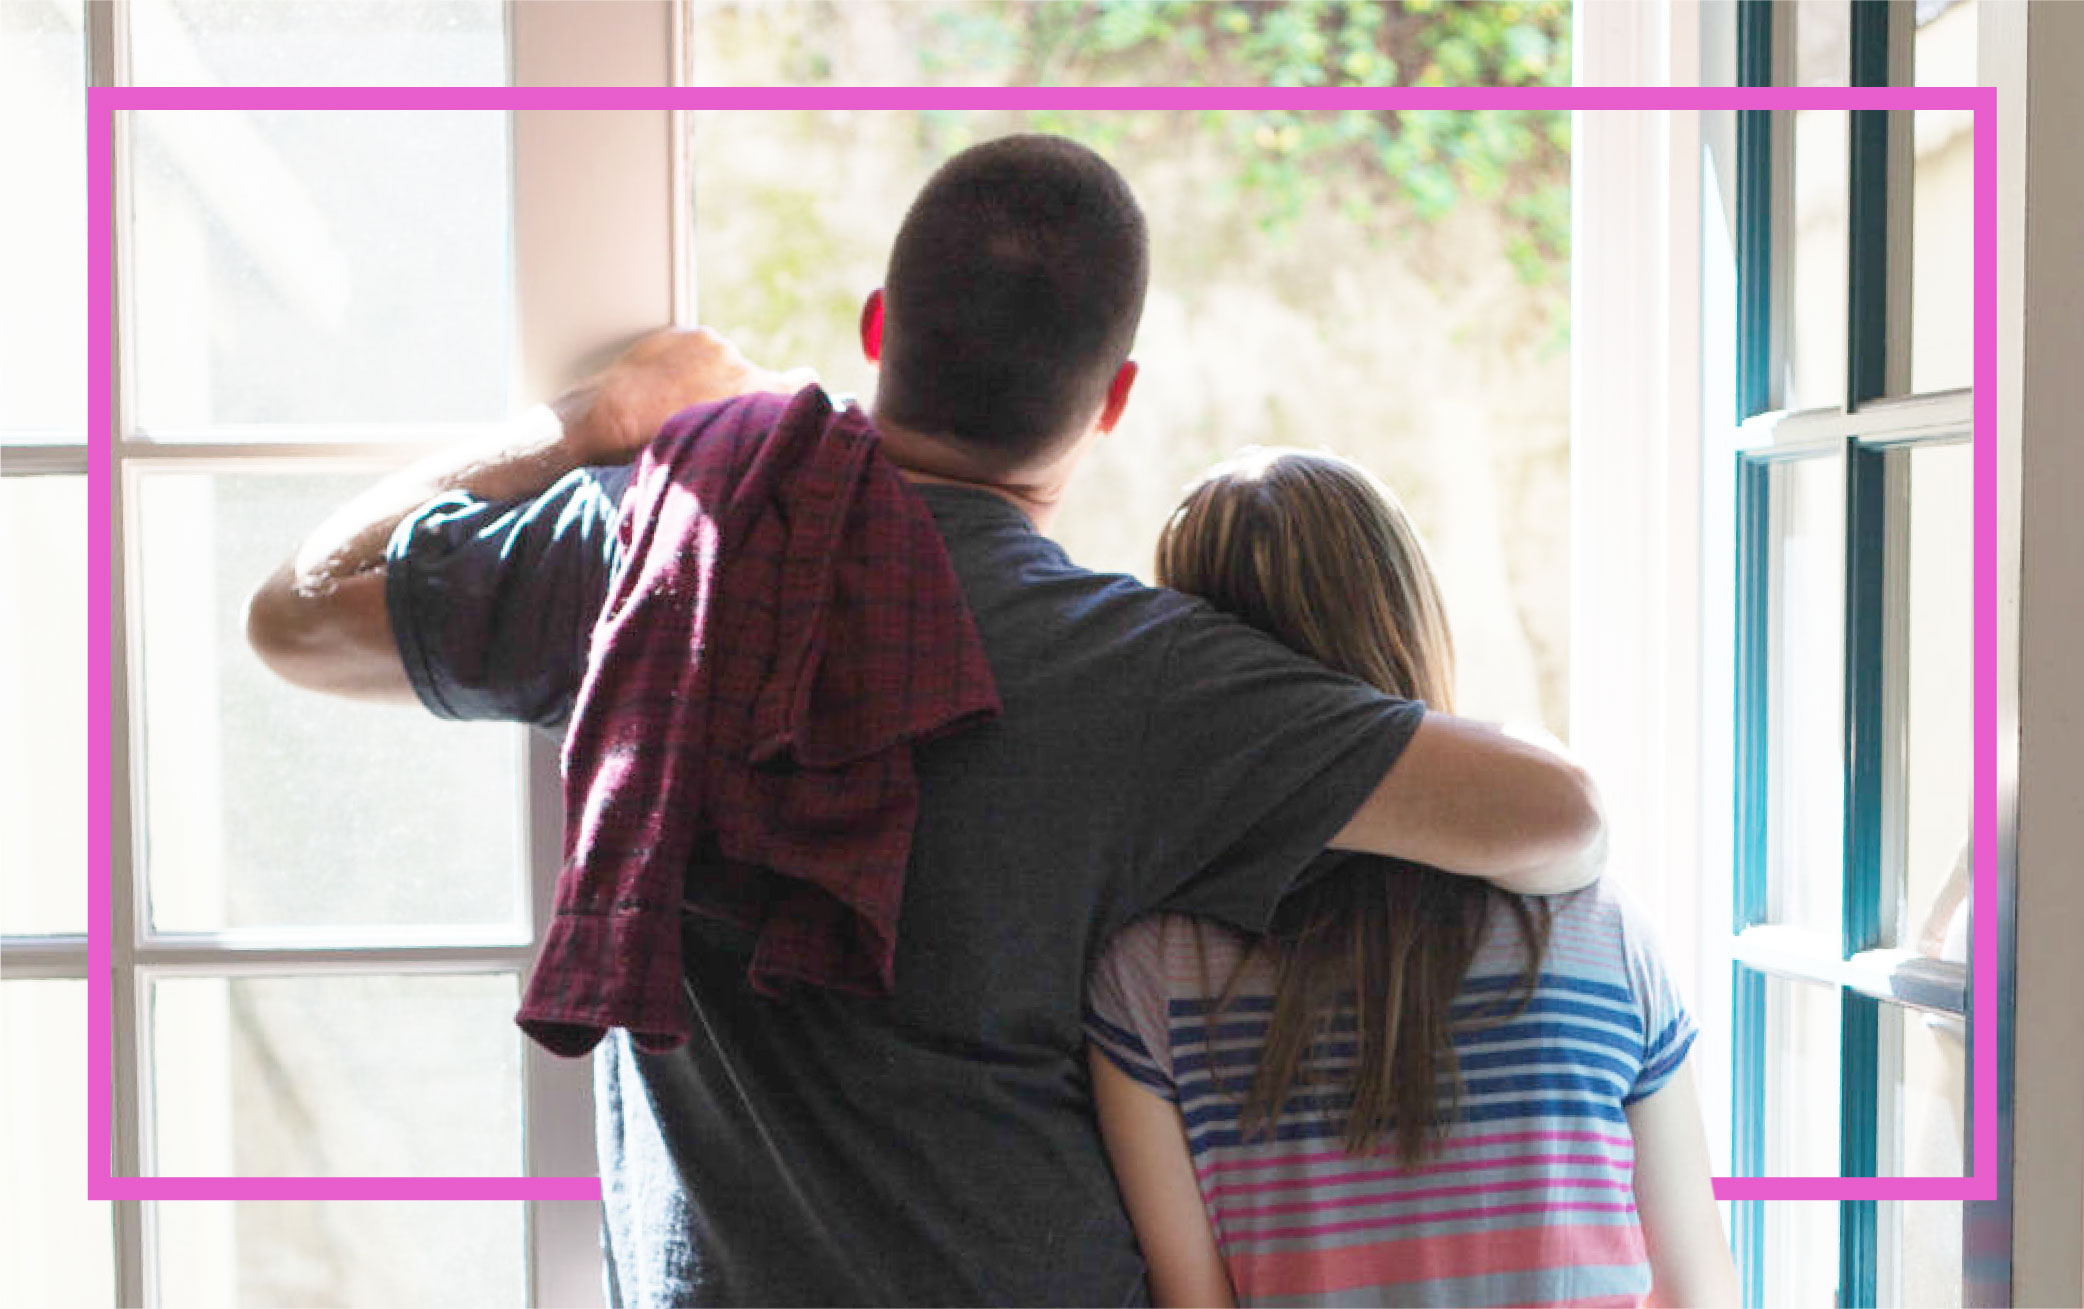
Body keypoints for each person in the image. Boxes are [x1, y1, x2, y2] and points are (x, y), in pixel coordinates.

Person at [246, 135, 1605, 1306]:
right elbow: (1561, 818)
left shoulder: (659, 550)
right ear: (1114, 398)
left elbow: (297, 615)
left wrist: (588, 419)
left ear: (878, 325)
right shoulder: (1146, 681)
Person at [1085, 448, 1736, 1308]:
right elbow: (1699, 1290)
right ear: (1409, 619)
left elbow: (1195, 1302)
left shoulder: (1151, 976)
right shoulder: (1597, 931)